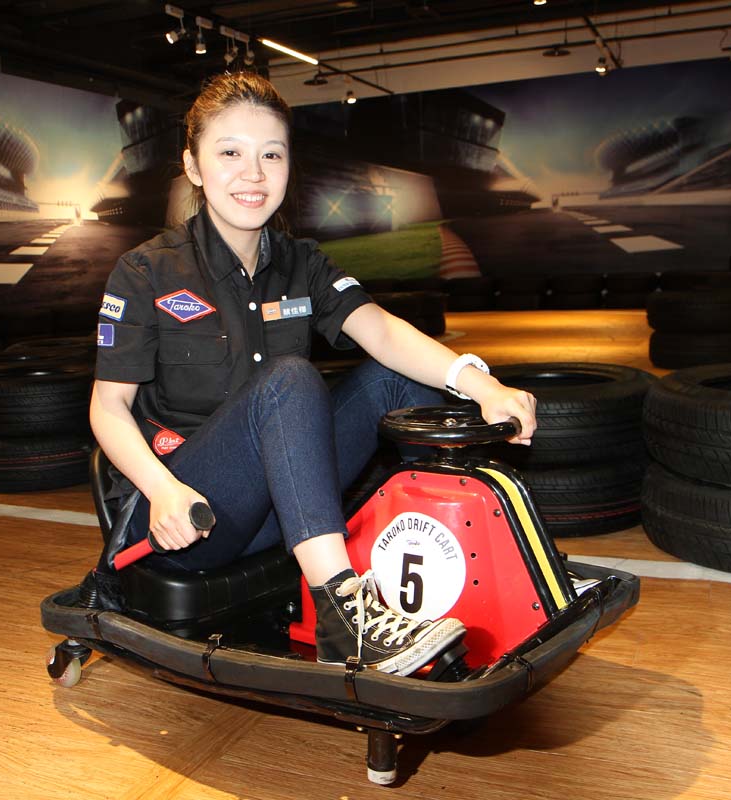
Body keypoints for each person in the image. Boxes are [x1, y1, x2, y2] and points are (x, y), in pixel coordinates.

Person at [89, 72, 537, 677]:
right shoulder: (146, 271)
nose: (253, 174)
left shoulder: (302, 261)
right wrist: (163, 490)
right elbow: (107, 408)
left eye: (271, 155)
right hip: (190, 515)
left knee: (390, 380)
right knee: (291, 380)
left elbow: (382, 332)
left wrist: (485, 386)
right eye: (230, 153)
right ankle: (343, 616)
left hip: (283, 507)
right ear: (192, 166)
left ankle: (454, 557)